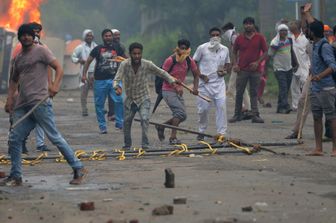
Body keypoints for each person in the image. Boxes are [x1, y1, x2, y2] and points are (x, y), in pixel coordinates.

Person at [1, 24, 87, 186]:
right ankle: (16, 176)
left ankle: (78, 168)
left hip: (40, 103)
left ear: (33, 36)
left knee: (54, 137)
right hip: (23, 105)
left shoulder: (41, 50)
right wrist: (10, 99)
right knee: (14, 139)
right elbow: (13, 80)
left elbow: (58, 67)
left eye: (28, 35)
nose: (26, 37)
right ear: (19, 38)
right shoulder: (19, 57)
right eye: (23, 35)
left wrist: (55, 85)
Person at [113, 42, 178, 150]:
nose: (137, 56)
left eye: (139, 53)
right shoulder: (124, 64)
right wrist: (117, 87)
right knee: (127, 122)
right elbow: (117, 79)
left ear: (141, 53)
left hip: (144, 97)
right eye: (134, 54)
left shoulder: (147, 64)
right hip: (130, 98)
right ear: (130, 54)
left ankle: (145, 145)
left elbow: (161, 72)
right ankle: (127, 145)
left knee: (144, 119)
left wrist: (172, 81)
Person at [302, 3, 336, 156]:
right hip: (316, 88)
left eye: (308, 30)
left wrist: (319, 76)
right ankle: (318, 148)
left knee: (331, 118)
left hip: (326, 88)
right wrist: (306, 13)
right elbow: (315, 25)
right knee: (316, 117)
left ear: (312, 33)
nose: (306, 31)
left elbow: (333, 66)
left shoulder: (324, 46)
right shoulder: (315, 44)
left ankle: (335, 149)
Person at [10, 22, 50, 153]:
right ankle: (17, 143)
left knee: (39, 119)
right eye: (34, 31)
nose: (36, 33)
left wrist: (51, 84)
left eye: (38, 31)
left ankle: (38, 143)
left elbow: (50, 67)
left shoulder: (43, 48)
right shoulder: (19, 48)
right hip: (23, 90)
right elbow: (14, 70)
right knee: (18, 119)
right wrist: (13, 92)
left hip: (39, 91)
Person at [82, 29, 125, 134]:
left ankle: (120, 123)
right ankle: (102, 126)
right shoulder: (97, 49)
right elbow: (88, 61)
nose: (108, 37)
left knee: (119, 100)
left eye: (110, 35)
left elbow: (125, 59)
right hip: (100, 81)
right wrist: (84, 74)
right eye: (106, 36)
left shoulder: (118, 48)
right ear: (103, 37)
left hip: (115, 79)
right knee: (99, 104)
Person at [158, 39, 199, 145]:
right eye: (181, 48)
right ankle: (173, 137)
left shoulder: (190, 61)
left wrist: (195, 88)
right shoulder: (170, 60)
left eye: (185, 48)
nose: (183, 50)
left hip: (179, 91)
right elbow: (163, 75)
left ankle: (162, 126)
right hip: (168, 90)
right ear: (178, 48)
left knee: (183, 116)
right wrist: (175, 85)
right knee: (179, 113)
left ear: (188, 50)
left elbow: (196, 74)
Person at [193, 27, 230, 140]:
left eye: (217, 35)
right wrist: (200, 75)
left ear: (220, 36)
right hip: (204, 84)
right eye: (213, 35)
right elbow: (193, 62)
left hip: (219, 84)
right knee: (203, 109)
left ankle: (221, 133)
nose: (215, 37)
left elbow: (227, 63)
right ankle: (201, 131)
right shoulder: (202, 48)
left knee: (221, 107)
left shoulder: (225, 49)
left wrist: (224, 71)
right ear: (210, 36)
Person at [229, 17, 268, 123]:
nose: (248, 25)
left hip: (255, 69)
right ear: (243, 25)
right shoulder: (239, 38)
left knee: (254, 92)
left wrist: (257, 62)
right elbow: (234, 51)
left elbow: (265, 52)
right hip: (242, 69)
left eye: (250, 23)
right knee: (239, 92)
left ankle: (255, 115)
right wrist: (235, 64)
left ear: (253, 25)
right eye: (246, 24)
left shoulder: (260, 37)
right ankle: (237, 114)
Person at [285, 20, 312, 139]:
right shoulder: (289, 38)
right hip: (295, 70)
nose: (291, 26)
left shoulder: (306, 40)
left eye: (293, 24)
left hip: (307, 72)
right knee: (301, 100)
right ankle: (297, 130)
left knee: (305, 102)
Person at [268, 24, 299, 114]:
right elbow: (269, 55)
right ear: (278, 32)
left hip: (288, 67)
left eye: (285, 30)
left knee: (285, 88)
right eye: (281, 31)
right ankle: (285, 106)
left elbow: (291, 51)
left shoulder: (289, 40)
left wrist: (296, 63)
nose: (283, 32)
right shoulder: (275, 42)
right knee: (283, 87)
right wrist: (266, 69)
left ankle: (279, 106)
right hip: (279, 68)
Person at [222, 22, 251, 112]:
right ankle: (248, 108)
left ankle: (242, 106)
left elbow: (238, 52)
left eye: (224, 31)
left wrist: (234, 64)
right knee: (243, 88)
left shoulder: (234, 37)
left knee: (231, 88)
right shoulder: (235, 36)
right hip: (241, 64)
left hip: (238, 65)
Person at [71, 29, 97, 117]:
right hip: (84, 73)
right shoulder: (80, 47)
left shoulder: (96, 47)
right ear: (84, 37)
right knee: (84, 92)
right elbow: (73, 57)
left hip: (95, 73)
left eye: (90, 35)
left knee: (97, 92)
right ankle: (84, 110)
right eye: (87, 35)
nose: (89, 37)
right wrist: (79, 60)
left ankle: (98, 109)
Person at [107, 29, 126, 122]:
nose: (117, 37)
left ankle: (118, 114)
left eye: (119, 35)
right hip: (109, 72)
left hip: (119, 72)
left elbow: (124, 56)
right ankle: (111, 113)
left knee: (119, 93)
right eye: (115, 35)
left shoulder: (121, 46)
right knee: (111, 94)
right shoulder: (107, 47)